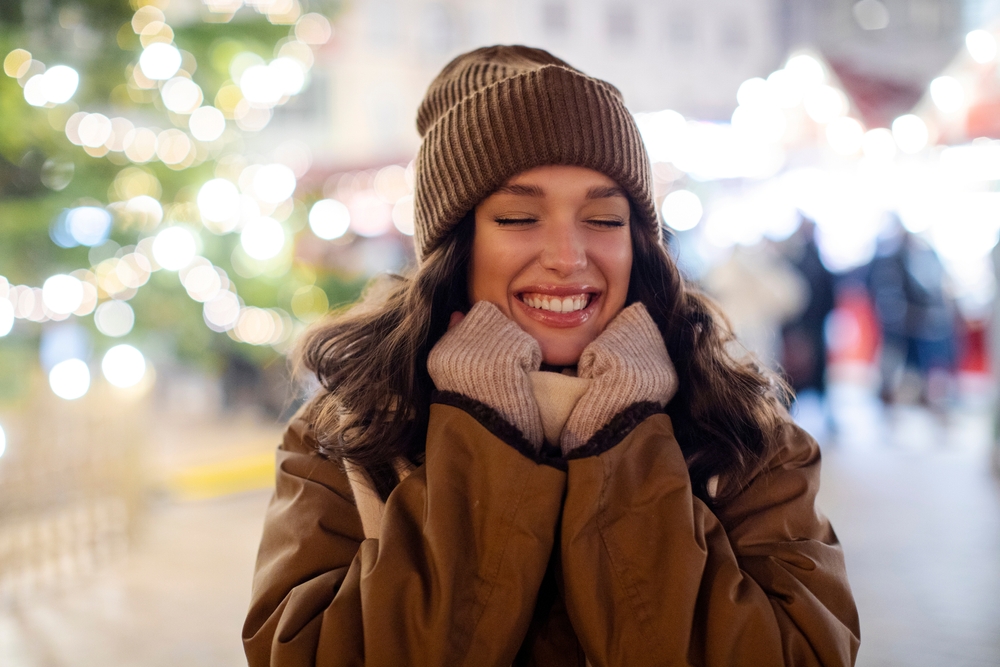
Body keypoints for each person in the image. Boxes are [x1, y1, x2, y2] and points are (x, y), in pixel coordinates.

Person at [242, 45, 860, 666]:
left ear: (640, 244)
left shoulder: (744, 434)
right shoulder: (347, 438)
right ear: (453, 247)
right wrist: (486, 437)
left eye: (604, 218)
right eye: (518, 217)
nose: (568, 256)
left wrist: (623, 438)